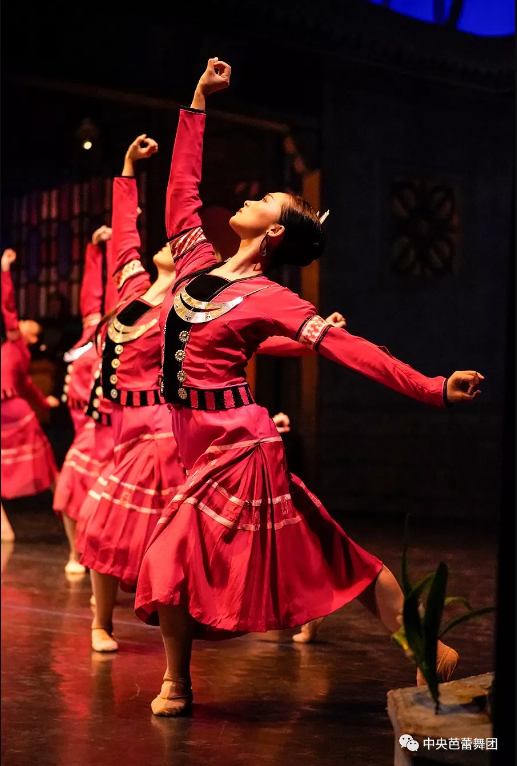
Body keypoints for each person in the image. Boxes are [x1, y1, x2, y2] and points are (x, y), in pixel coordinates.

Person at [134, 59, 484, 716]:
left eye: (265, 201)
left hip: (240, 446)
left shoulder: (274, 298)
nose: (249, 199)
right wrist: (198, 101)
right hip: (192, 441)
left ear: (273, 232)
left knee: (177, 551)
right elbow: (182, 188)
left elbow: (351, 351)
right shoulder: (195, 262)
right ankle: (425, 646)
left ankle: (177, 682)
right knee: (324, 550)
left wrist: (432, 387)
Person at [78, 135, 187, 653]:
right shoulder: (132, 285)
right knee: (112, 529)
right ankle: (102, 621)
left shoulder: (183, 307)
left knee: (115, 525)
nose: (164, 244)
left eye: (175, 246)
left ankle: (161, 631)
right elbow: (125, 231)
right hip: (123, 426)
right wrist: (127, 167)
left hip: (163, 428)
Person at [53, 227, 115, 575]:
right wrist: (94, 250)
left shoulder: (119, 337)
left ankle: (96, 561)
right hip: (82, 425)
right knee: (70, 490)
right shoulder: (93, 332)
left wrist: (117, 243)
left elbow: (115, 288)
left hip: (104, 427)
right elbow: (92, 296)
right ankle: (76, 554)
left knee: (84, 490)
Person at [1, 249, 59, 510]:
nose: (24, 322)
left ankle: (60, 493)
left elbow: (8, 308)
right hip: (10, 407)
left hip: (10, 407)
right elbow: (28, 387)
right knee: (41, 450)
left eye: (30, 325)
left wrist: (5, 271)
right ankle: (58, 490)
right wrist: (45, 403)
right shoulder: (19, 355)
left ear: (32, 338)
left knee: (42, 450)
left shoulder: (17, 345)